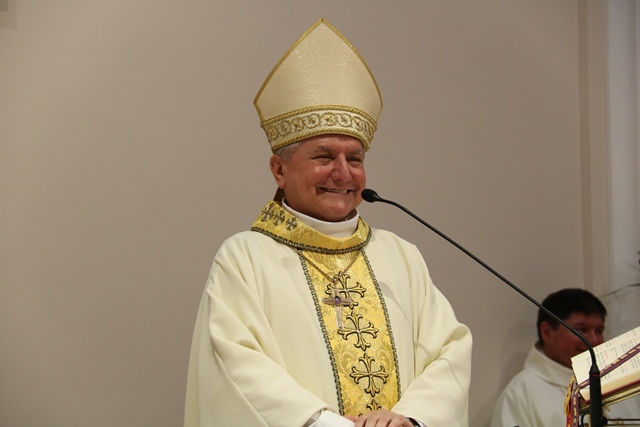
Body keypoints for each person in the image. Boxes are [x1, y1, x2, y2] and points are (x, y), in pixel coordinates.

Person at [183, 18, 472, 427]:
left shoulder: (400, 255)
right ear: (279, 170)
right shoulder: (245, 258)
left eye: (354, 159)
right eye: (323, 157)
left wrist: (410, 418)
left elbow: (449, 350)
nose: (343, 173)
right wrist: (329, 424)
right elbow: (235, 364)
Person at [490, 288, 639, 427]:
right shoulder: (521, 393)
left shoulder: (618, 382)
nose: (594, 341)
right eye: (582, 330)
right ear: (547, 332)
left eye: (599, 331)